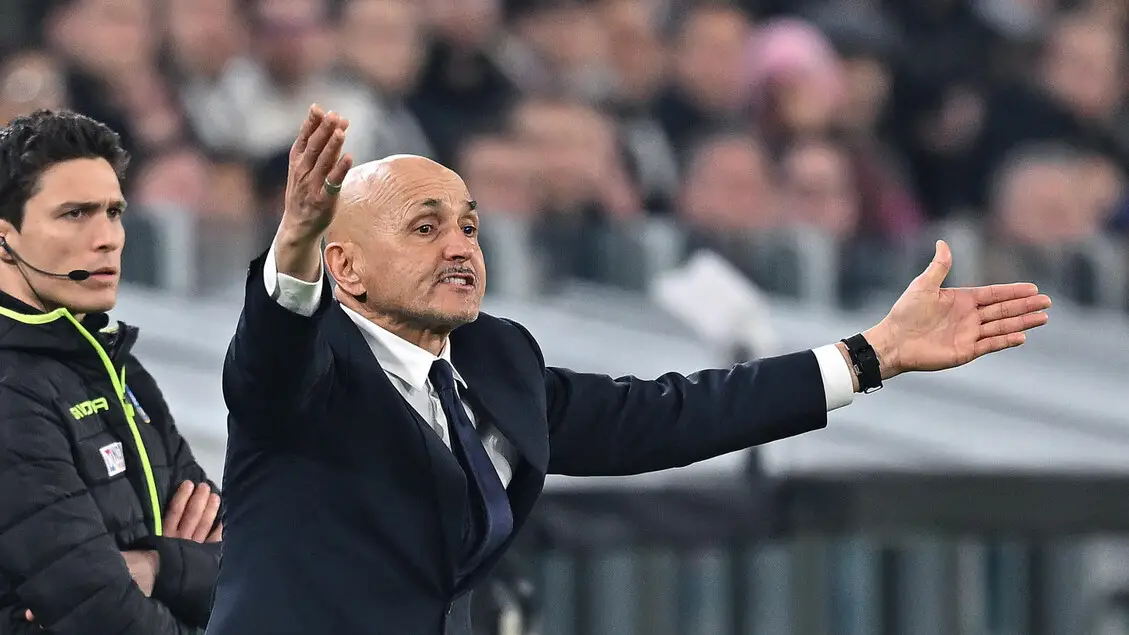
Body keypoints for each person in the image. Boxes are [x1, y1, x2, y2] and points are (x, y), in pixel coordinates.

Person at [209, 106, 1051, 635]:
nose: (460, 246)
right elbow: (268, 360)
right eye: (424, 228)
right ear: (346, 269)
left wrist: (871, 356)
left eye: (468, 225)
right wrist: (295, 245)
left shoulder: (497, 359)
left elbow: (667, 415)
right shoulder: (308, 370)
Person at [0, 110, 222, 634]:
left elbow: (248, 563)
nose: (108, 239)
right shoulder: (10, 392)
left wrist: (156, 566)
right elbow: (100, 611)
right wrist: (185, 570)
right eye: (75, 214)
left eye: (114, 212)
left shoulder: (118, 366)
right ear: (5, 240)